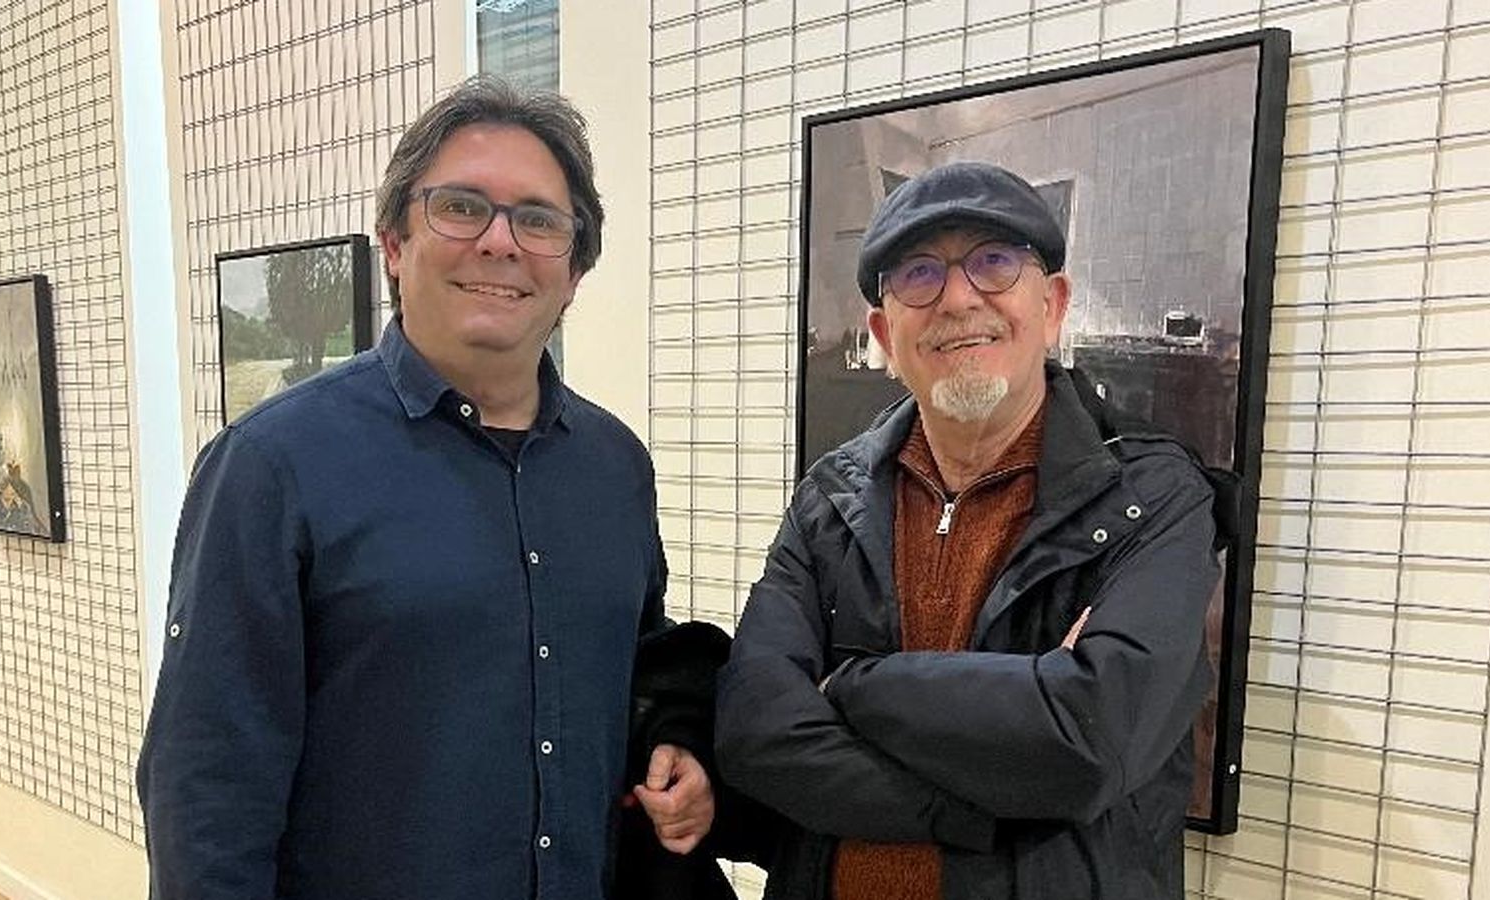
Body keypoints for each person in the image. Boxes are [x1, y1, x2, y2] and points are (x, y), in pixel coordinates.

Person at [138, 75, 715, 900]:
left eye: (539, 220)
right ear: (395, 246)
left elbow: (639, 680)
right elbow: (206, 786)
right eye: (462, 207)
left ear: (575, 271)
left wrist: (676, 749)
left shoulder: (614, 468)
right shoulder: (274, 464)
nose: (500, 242)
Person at [715, 161, 1220, 900]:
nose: (957, 297)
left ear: (1051, 306)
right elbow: (756, 731)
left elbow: (1089, 740)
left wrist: (851, 685)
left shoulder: (1151, 497)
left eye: (994, 262)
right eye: (919, 273)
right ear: (886, 334)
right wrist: (977, 796)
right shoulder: (827, 501)